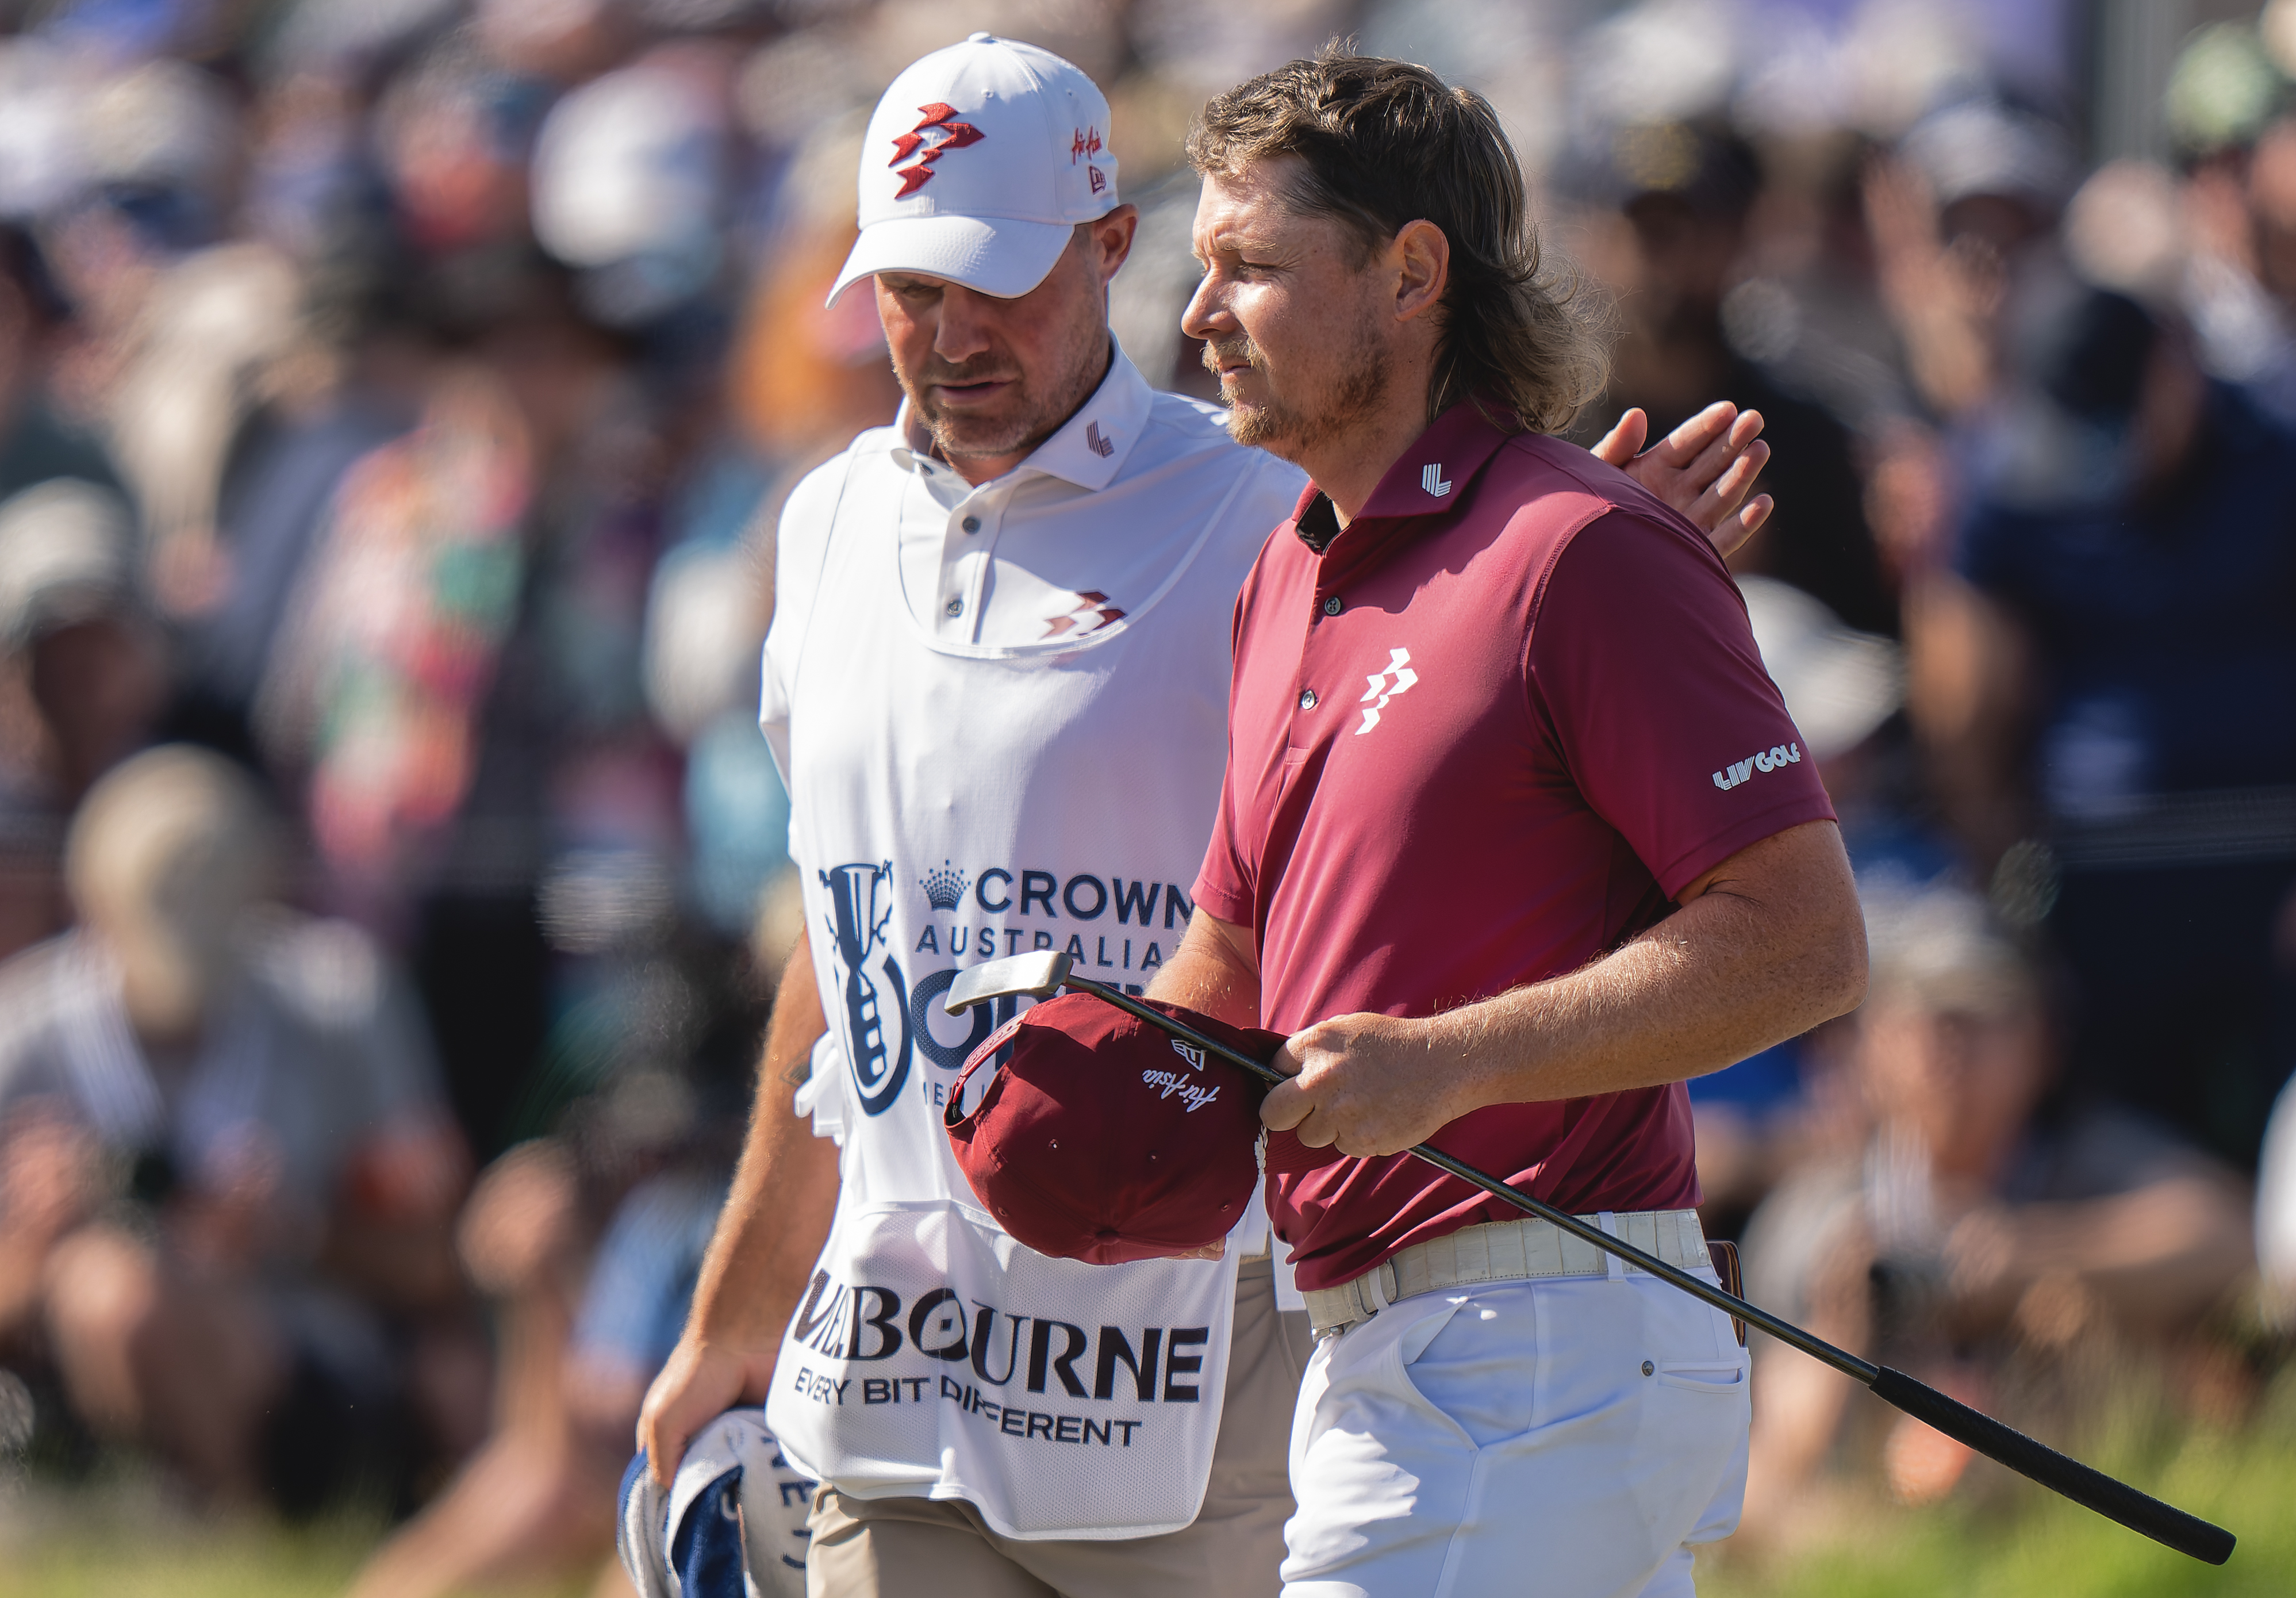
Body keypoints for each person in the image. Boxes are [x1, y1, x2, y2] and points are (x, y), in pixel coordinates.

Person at [632, 35, 1774, 1598]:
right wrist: (730, 1320)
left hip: (1230, 1359)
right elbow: (845, 965)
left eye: (997, 280)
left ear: (1108, 243)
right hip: (912, 1359)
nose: (948, 333)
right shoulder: (829, 527)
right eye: (908, 286)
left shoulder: (1269, 508)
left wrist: (1566, 552)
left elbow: (1722, 895)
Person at [1147, 54, 1867, 1597]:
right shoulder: (1286, 575)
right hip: (1384, 1354)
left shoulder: (1582, 549)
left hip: (1537, 1344)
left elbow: (1804, 945)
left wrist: (1447, 1058)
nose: (1199, 314)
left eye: (1250, 267)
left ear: (1413, 273)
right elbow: (1226, 966)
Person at [0, 744, 466, 1508]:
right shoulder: (22, 1032)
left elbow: (439, 1261)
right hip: (64, 1386)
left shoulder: (341, 1002)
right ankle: (180, 1511)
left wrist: (299, 1231)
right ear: (93, 900)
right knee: (111, 1287)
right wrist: (40, 1235)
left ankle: (230, 1513)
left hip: (310, 1380)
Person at [1736, 884, 2253, 1530]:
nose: (1944, 1044)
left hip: (2073, 1529)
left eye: (1976, 1012)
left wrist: (2034, 1259)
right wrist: (1847, 1332)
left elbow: (2236, 1239)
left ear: (2041, 1041)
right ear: (1870, 1045)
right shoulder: (1814, 1215)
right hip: (1877, 1531)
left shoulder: (2090, 1159)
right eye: (1918, 1015)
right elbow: (1762, 1474)